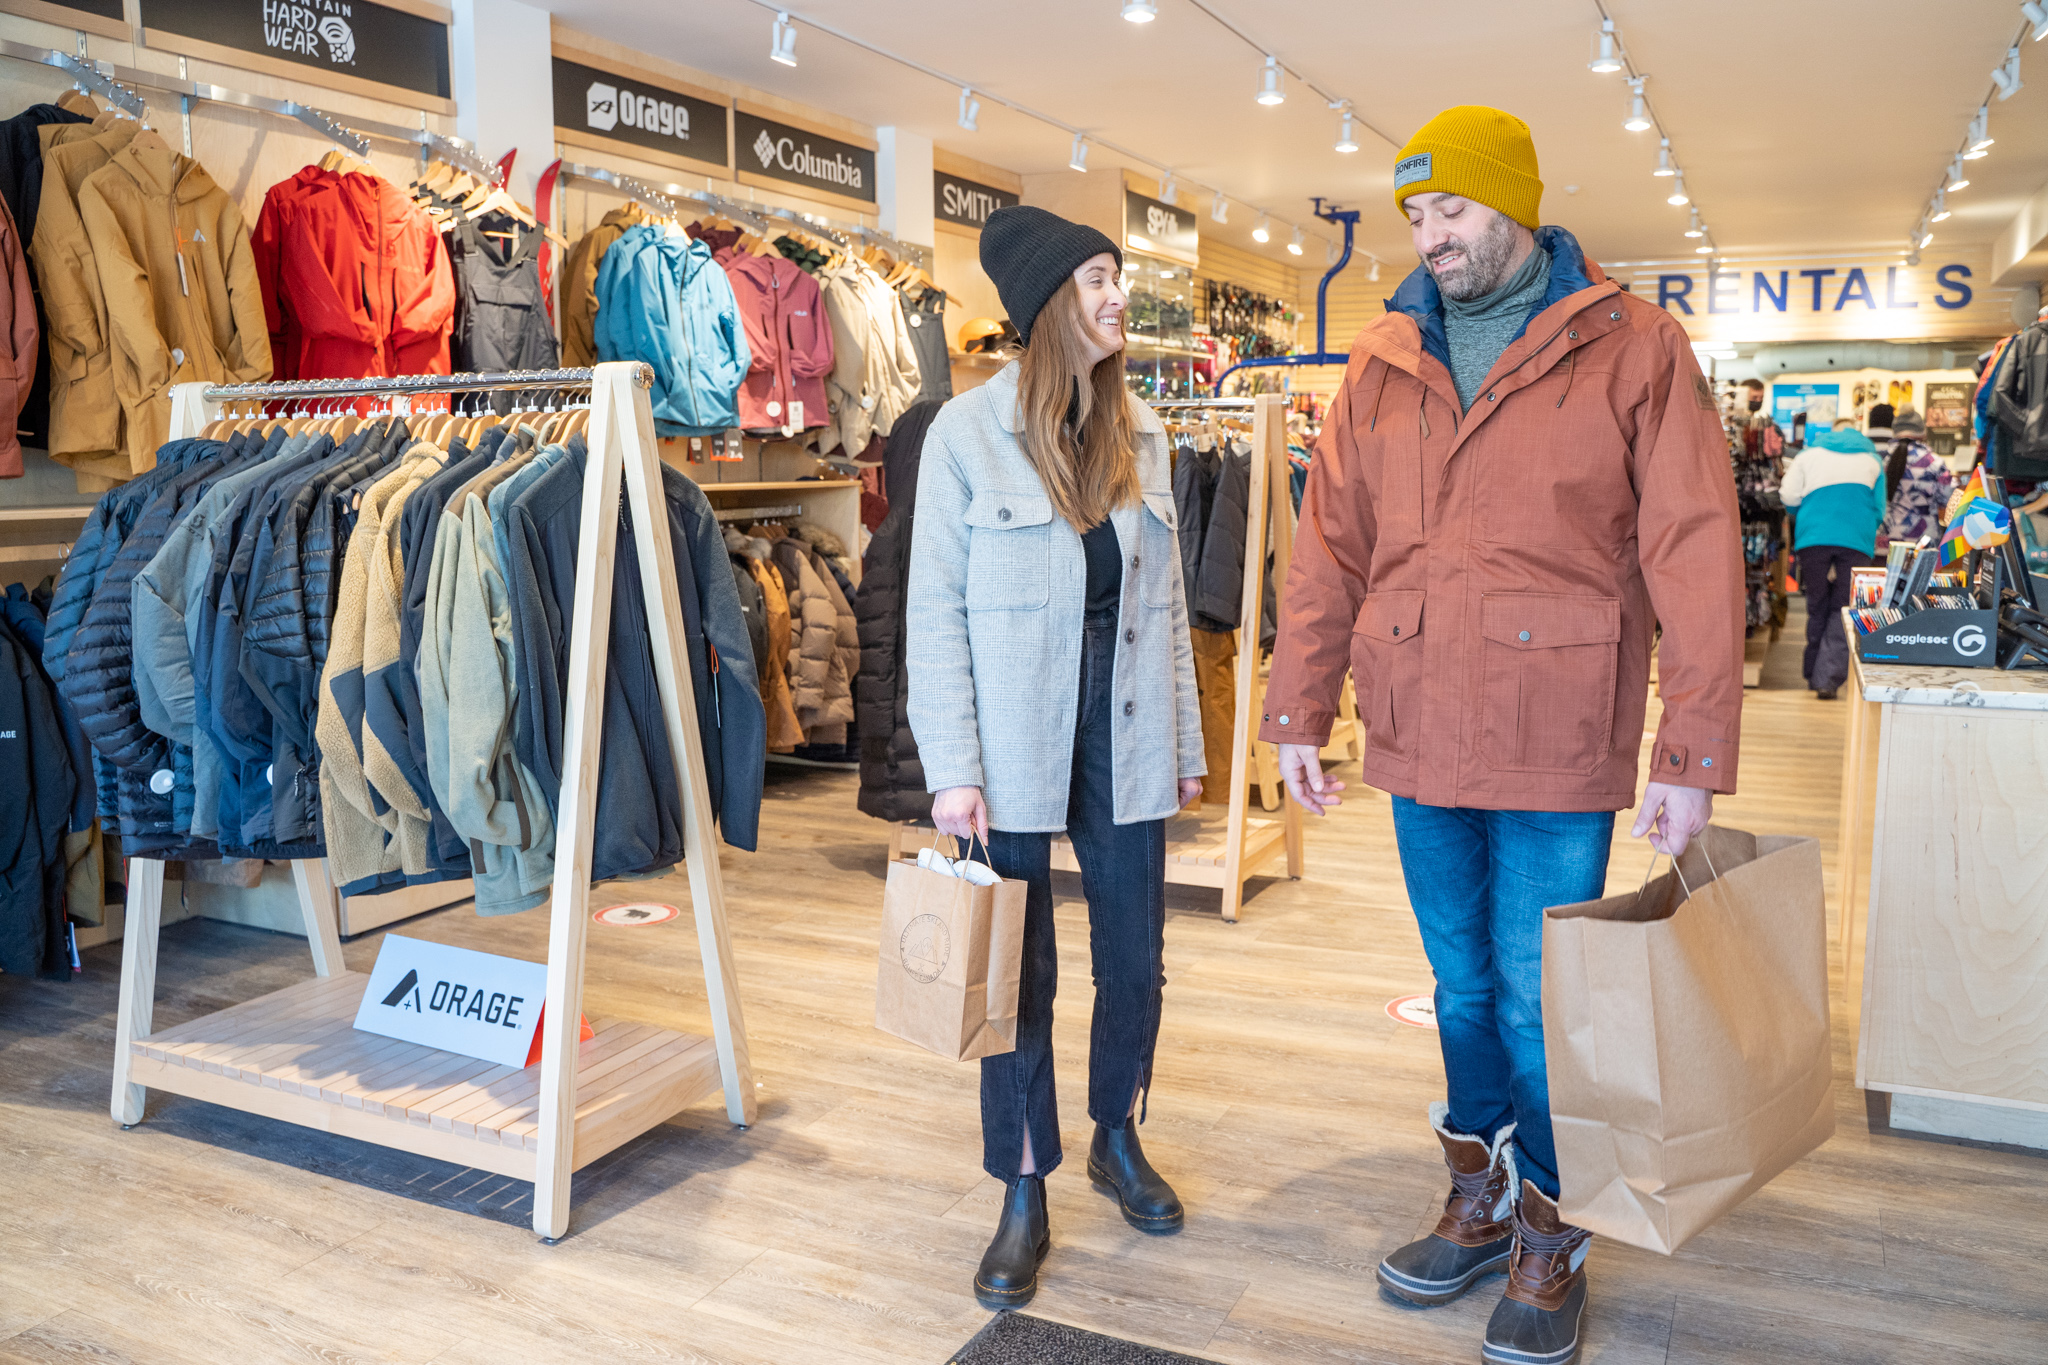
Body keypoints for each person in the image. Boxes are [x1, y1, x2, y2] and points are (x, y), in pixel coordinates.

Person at [1259, 106, 1744, 1365]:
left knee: (1540, 1002)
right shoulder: (1377, 365)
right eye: (1415, 216)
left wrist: (1688, 754)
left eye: (1453, 212)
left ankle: (1550, 1228)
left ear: (1514, 206)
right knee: (1463, 986)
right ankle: (1477, 1196)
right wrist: (1295, 708)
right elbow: (1328, 555)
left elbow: (1691, 551)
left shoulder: (1630, 346)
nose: (1432, 239)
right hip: (1417, 723)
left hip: (1559, 730)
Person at [905, 205, 1206, 1312]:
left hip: (1121, 726)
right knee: (1013, 969)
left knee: (1134, 954)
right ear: (1044, 308)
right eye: (1093, 279)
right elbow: (931, 606)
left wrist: (1182, 736)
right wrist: (952, 764)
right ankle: (1021, 1183)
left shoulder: (1147, 433)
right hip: (1010, 731)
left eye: (1115, 276)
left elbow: (1163, 606)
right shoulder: (963, 436)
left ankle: (1115, 1135)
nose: (1115, 295)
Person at [1781, 425, 1887, 699]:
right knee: (1843, 608)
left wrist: (1802, 512)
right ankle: (1827, 678)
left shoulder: (1807, 455)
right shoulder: (1872, 460)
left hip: (1813, 538)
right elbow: (1879, 509)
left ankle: (1811, 672)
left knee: (1816, 605)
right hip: (1856, 541)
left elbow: (1789, 496)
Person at [1879, 406, 1956, 548]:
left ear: (1895, 432)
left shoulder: (1880, 459)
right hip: (1922, 544)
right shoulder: (1934, 462)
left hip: (1884, 542)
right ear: (1923, 433)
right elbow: (1948, 499)